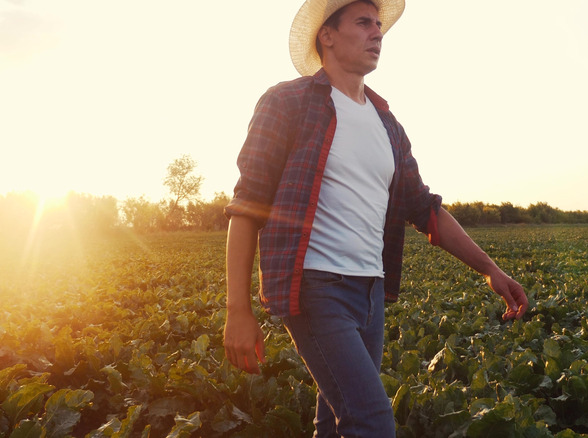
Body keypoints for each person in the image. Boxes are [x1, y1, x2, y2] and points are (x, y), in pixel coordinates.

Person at [223, 0, 529, 436]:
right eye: (363, 23)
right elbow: (246, 206)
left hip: (371, 294)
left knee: (333, 422)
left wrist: (490, 269)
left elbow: (424, 207)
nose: (377, 33)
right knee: (371, 421)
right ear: (326, 35)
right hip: (315, 287)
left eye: (379, 25)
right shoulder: (288, 102)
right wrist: (238, 309)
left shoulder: (388, 124)